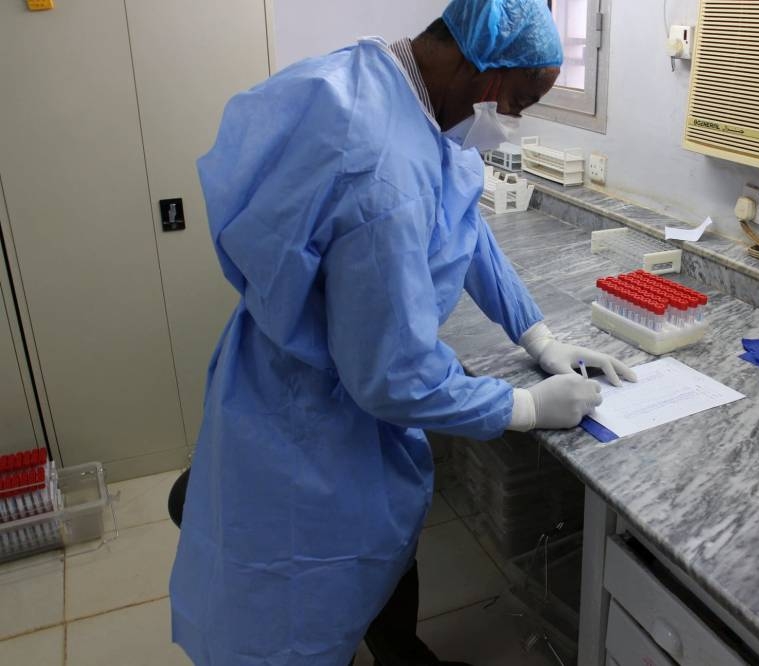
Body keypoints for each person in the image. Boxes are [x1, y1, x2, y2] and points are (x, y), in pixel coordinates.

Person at [168, 1, 637, 664]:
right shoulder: (383, 177)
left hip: (287, 379)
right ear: (485, 74)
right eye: (523, 103)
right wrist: (524, 407)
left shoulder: (383, 81)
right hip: (314, 426)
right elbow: (394, 378)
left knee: (382, 551)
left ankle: (398, 652)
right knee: (300, 595)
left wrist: (536, 333)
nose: (516, 122)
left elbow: (464, 226)